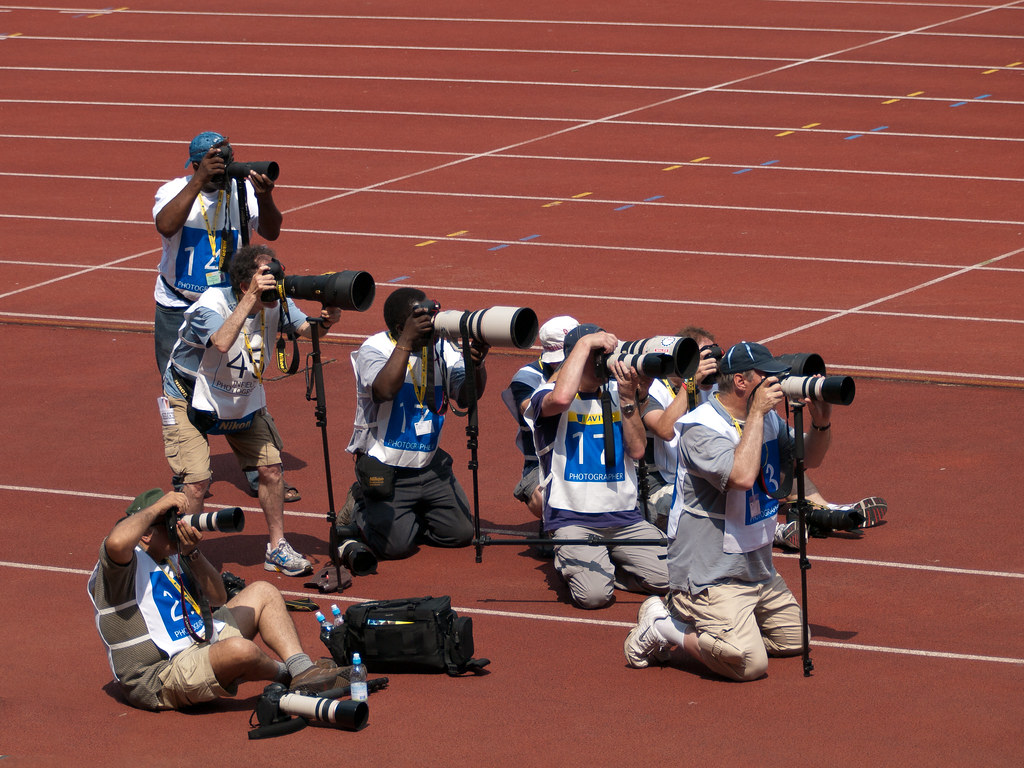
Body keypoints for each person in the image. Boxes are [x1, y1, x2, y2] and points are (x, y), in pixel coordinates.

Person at [623, 341, 835, 680]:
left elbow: (809, 460)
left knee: (797, 640)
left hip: (756, 568)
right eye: (768, 377)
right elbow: (741, 476)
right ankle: (665, 626)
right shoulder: (700, 428)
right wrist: (756, 415)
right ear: (741, 382)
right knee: (748, 663)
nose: (777, 384)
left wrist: (821, 423)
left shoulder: (767, 421)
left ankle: (730, 626)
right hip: (710, 574)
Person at [161, 244, 341, 576]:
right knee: (197, 482)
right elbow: (222, 341)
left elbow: (306, 330)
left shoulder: (277, 302)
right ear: (246, 284)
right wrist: (251, 299)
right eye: (266, 275)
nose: (275, 279)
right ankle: (186, 556)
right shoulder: (209, 305)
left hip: (241, 395)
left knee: (271, 470)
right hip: (189, 396)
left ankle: (277, 548)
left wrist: (327, 321)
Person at [88, 489, 343, 711]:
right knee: (239, 650)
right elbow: (117, 541)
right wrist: (159, 507)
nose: (178, 529)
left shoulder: (169, 557)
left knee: (264, 591)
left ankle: (302, 670)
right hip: (160, 675)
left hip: (196, 642)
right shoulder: (120, 569)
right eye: (169, 524)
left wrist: (193, 553)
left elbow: (218, 597)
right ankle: (286, 674)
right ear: (145, 533)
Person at [152, 131, 297, 503]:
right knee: (183, 387)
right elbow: (166, 226)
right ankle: (191, 471)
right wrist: (199, 183)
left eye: (225, 161)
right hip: (180, 302)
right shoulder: (173, 190)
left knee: (241, 375)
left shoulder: (240, 192)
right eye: (212, 164)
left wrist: (265, 197)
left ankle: (256, 468)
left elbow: (272, 230)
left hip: (232, 303)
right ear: (195, 165)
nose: (221, 170)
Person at [524, 324, 669, 610]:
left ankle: (608, 566)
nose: (605, 360)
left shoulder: (619, 393)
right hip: (572, 519)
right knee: (594, 598)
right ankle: (583, 566)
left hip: (625, 518)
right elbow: (563, 398)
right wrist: (584, 343)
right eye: (597, 354)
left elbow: (638, 450)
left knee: (671, 579)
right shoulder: (546, 394)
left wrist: (629, 401)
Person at [345, 287, 488, 560]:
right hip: (387, 464)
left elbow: (467, 396)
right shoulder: (375, 348)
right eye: (421, 323)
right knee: (394, 549)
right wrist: (407, 343)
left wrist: (476, 366)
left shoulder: (442, 348)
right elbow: (383, 391)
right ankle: (360, 505)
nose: (431, 328)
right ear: (402, 327)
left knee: (459, 534)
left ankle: (409, 515)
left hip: (429, 463)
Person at [639, 326, 721, 530]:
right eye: (703, 358)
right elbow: (665, 430)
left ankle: (811, 508)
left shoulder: (714, 386)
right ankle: (777, 533)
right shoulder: (652, 388)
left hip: (706, 474)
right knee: (680, 509)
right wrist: (691, 382)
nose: (710, 364)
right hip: (665, 482)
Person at [501, 316, 579, 518]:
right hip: (541, 464)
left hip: (585, 458)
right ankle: (554, 527)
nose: (559, 364)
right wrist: (569, 367)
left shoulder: (595, 374)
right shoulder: (526, 377)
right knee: (547, 498)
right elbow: (531, 409)